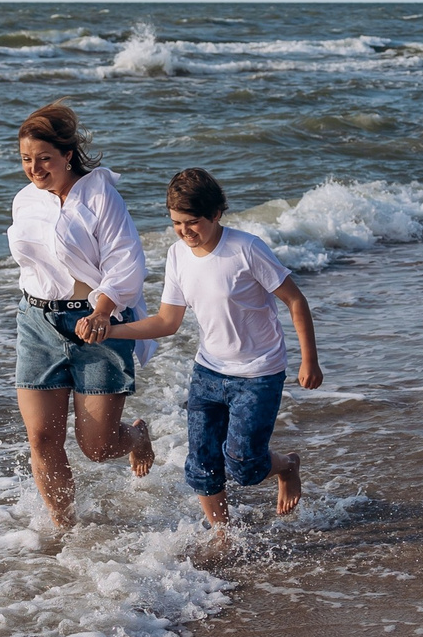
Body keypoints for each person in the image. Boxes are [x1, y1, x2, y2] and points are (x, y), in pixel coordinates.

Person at [107, 168, 322, 529]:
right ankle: (223, 532)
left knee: (245, 467)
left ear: (216, 214)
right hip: (208, 371)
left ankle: (286, 465)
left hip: (258, 373)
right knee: (201, 463)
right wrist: (112, 330)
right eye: (176, 223)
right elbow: (167, 322)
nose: (185, 231)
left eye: (192, 222)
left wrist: (309, 361)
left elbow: (295, 301)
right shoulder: (177, 255)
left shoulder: (246, 249)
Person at [7, 102, 155, 529]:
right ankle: (64, 528)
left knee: (97, 445)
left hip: (97, 325)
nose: (34, 169)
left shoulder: (100, 195)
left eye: (44, 159)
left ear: (67, 155)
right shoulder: (25, 201)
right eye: (26, 160)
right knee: (41, 438)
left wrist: (104, 311)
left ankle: (137, 436)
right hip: (37, 323)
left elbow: (126, 262)